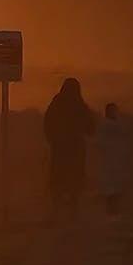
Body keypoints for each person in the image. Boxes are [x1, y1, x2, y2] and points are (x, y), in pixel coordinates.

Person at [43, 77, 95, 217]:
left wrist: (53, 140)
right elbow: (90, 127)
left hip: (61, 148)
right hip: (72, 147)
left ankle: (60, 208)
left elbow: (47, 124)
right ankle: (70, 208)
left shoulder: (57, 104)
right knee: (72, 178)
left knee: (61, 178)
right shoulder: (78, 105)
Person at [97, 103, 129, 216]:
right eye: (111, 110)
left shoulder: (119, 124)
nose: (113, 112)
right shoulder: (105, 125)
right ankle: (111, 208)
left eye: (114, 110)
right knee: (110, 183)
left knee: (117, 182)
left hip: (118, 158)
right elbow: (100, 141)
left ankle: (116, 207)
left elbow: (124, 139)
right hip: (109, 159)